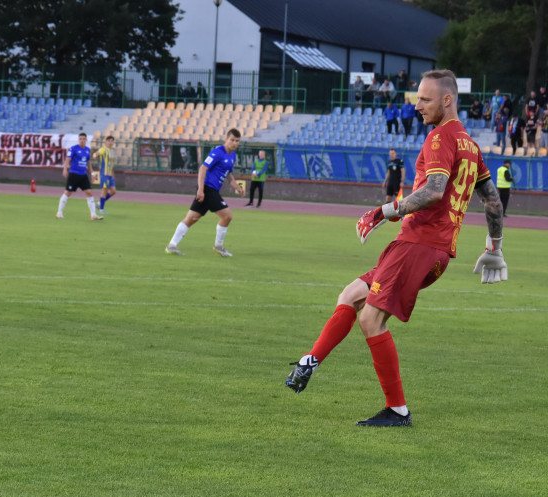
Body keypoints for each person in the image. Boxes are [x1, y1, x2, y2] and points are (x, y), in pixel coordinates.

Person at [283, 69, 506, 427]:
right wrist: (495, 245)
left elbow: (434, 191)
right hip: (429, 250)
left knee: (371, 320)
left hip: (418, 245)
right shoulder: (471, 145)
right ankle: (310, 361)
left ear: (447, 100)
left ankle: (397, 410)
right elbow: (492, 202)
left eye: (425, 99)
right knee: (351, 295)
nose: (417, 105)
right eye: (417, 98)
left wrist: (382, 211)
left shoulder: (439, 138)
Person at [165, 128, 245, 257]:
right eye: (232, 140)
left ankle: (172, 245)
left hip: (210, 190)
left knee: (191, 218)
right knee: (227, 216)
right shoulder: (218, 152)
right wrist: (201, 190)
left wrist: (237, 187)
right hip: (208, 189)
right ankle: (218, 247)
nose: (234, 143)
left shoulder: (233, 155)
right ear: (226, 139)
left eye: (237, 141)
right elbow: (203, 169)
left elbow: (228, 174)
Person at [55, 132, 103, 221]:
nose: (82, 140)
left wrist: (92, 173)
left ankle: (93, 215)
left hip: (83, 175)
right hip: (74, 174)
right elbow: (67, 160)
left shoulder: (88, 150)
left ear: (86, 140)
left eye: (83, 139)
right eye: (80, 139)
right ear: (78, 140)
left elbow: (89, 163)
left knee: (89, 192)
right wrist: (65, 169)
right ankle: (59, 212)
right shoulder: (73, 149)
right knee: (68, 193)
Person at [93, 135, 117, 215]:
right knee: (105, 190)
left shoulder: (112, 151)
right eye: (109, 140)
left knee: (113, 191)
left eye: (112, 141)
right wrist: (95, 155)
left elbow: (111, 164)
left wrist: (113, 174)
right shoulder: (103, 149)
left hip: (110, 174)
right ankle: (101, 209)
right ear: (106, 141)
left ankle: (99, 203)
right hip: (104, 174)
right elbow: (97, 153)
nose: (110, 142)